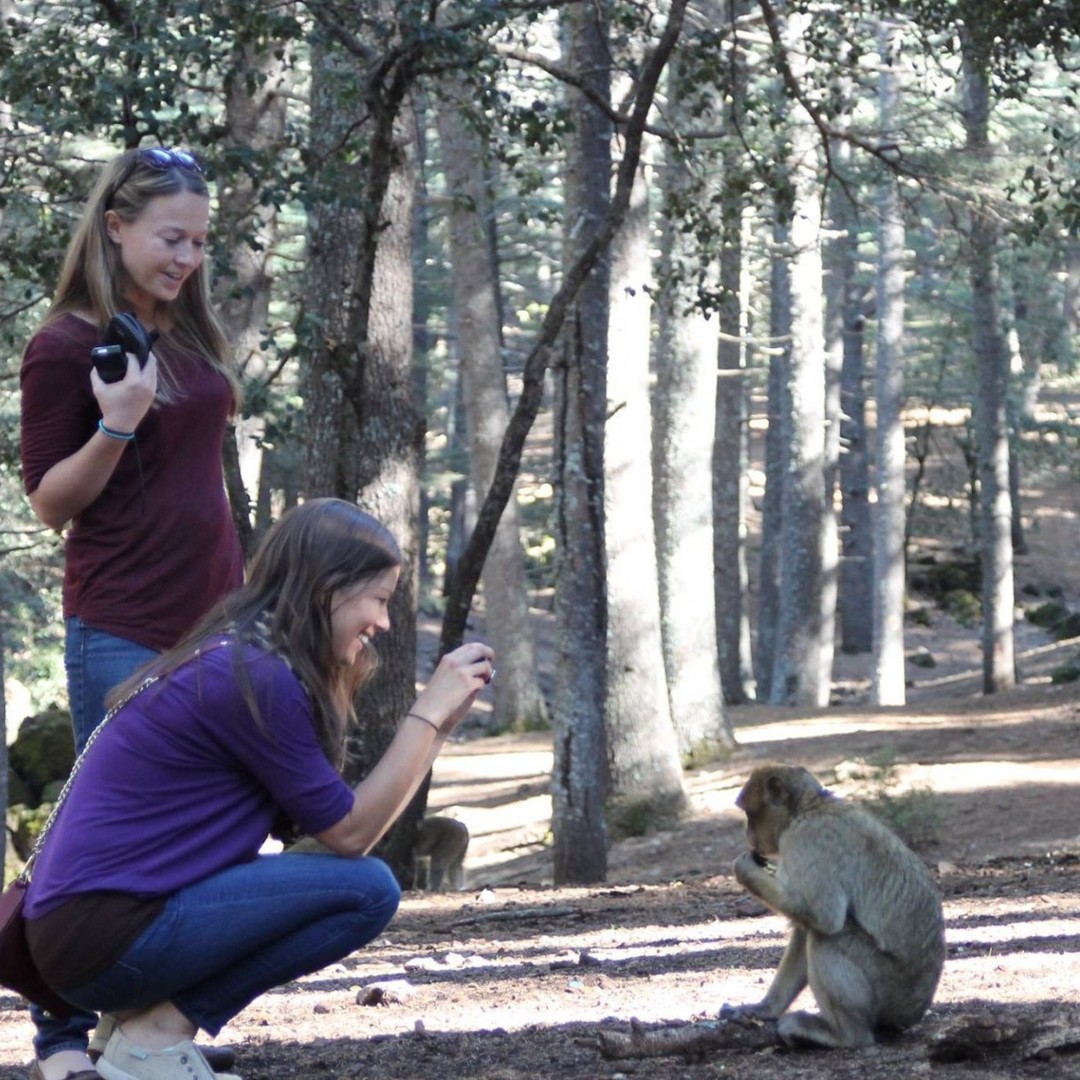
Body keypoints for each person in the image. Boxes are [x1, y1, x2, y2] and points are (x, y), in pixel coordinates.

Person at [23, 498, 495, 1080]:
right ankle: (151, 1041)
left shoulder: (242, 658)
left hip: (87, 934)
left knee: (352, 881)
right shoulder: (253, 677)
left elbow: (340, 831)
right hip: (103, 939)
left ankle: (132, 1037)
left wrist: (438, 727)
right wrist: (426, 716)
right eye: (378, 599)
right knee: (368, 890)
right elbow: (350, 836)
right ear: (327, 588)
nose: (384, 622)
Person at [19, 146, 246, 1080]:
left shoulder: (186, 332)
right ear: (115, 228)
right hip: (122, 625)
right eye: (170, 238)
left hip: (217, 625)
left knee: (209, 829)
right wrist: (119, 422)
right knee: (99, 841)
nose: (187, 257)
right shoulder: (66, 345)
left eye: (199, 241)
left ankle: (141, 1028)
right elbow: (49, 501)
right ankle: (58, 1037)